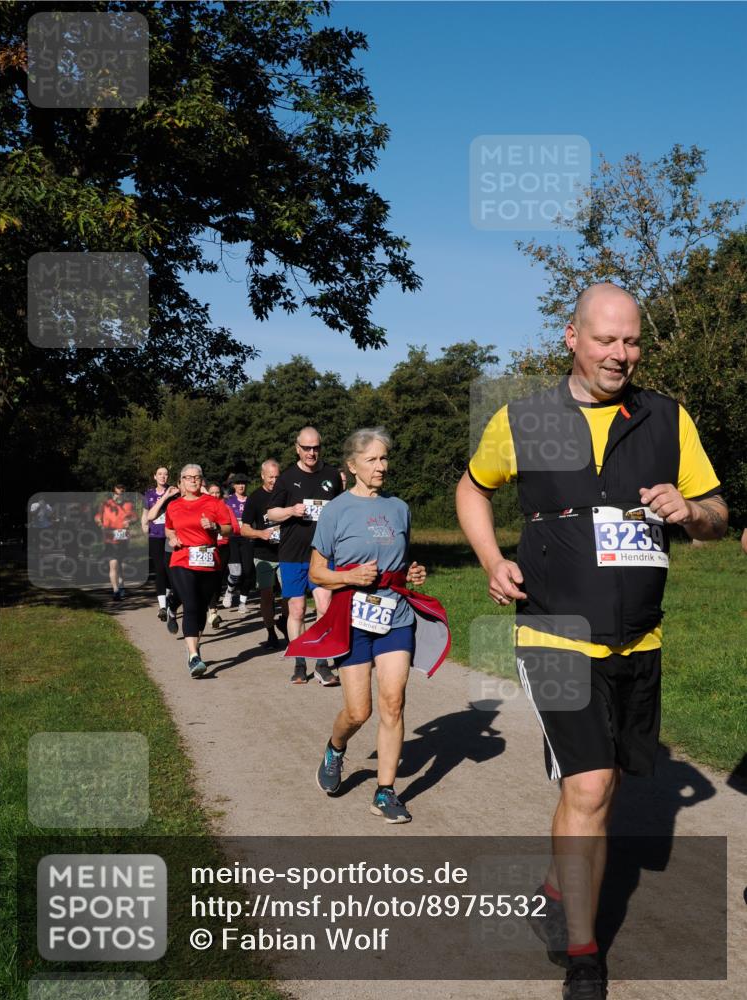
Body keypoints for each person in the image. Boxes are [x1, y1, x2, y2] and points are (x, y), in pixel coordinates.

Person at [456, 283, 728, 999]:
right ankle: (583, 953)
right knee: (590, 783)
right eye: (606, 339)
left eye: (632, 340)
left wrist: (692, 510)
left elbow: (721, 517)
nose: (621, 354)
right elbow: (472, 488)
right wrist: (491, 561)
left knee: (600, 790)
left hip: (639, 641)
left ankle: (554, 886)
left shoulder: (667, 419)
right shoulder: (528, 417)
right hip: (555, 631)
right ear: (571, 336)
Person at [286, 427, 450, 823]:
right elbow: (318, 572)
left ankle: (385, 791)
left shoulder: (399, 507)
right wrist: (349, 578)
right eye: (373, 459)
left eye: (384, 458)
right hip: (353, 617)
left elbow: (400, 559)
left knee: (393, 703)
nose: (382, 466)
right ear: (353, 465)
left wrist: (412, 572)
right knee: (358, 712)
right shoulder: (336, 510)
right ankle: (335, 749)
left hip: (395, 615)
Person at [267, 427, 344, 685]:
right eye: (307, 448)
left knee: (324, 607)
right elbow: (272, 514)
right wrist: (291, 510)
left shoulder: (332, 475)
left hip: (323, 554)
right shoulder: (287, 478)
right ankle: (300, 662)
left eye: (316, 447)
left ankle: (322, 664)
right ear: (297, 448)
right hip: (292, 554)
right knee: (297, 611)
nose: (312, 452)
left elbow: (344, 510)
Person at [165, 464, 233, 677]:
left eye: (197, 477)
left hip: (208, 560)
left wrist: (214, 527)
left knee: (201, 608)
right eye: (188, 477)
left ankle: (194, 647)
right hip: (182, 558)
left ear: (201, 480)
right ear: (182, 481)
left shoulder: (214, 503)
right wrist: (172, 537)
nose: (193, 481)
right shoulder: (174, 506)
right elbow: (168, 527)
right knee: (192, 604)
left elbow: (229, 527)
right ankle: (194, 657)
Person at [241, 459, 288, 649]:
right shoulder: (255, 498)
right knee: (267, 595)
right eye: (270, 477)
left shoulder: (286, 495)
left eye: (277, 477)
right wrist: (260, 533)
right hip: (263, 554)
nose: (274, 481)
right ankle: (270, 633)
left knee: (291, 595)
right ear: (262, 476)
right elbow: (244, 529)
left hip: (285, 553)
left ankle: (284, 621)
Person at [141, 467, 173, 621]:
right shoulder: (149, 494)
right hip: (155, 536)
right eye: (160, 474)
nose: (163, 476)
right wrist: (144, 529)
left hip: (170, 535)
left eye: (165, 474)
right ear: (154, 476)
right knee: (159, 569)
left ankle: (168, 598)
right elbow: (146, 516)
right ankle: (162, 606)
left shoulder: (175, 493)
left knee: (169, 569)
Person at [205, 481, 239, 629]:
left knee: (217, 580)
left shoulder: (226, 508)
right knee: (207, 579)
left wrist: (222, 530)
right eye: (211, 492)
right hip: (207, 548)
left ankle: (213, 611)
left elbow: (235, 528)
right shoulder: (203, 508)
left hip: (223, 547)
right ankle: (208, 608)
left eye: (217, 492)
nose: (214, 495)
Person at [95, 484, 137, 600]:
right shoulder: (106, 504)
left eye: (121, 493)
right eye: (117, 493)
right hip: (110, 538)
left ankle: (122, 585)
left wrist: (130, 521)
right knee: (113, 564)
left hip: (123, 537)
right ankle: (116, 590)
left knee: (121, 565)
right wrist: (100, 524)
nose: (119, 496)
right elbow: (98, 517)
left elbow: (135, 517)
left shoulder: (129, 504)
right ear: (113, 493)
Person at [222, 473, 256, 615]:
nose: (241, 486)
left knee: (248, 572)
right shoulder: (228, 501)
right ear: (234, 486)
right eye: (238, 483)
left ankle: (243, 602)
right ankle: (229, 591)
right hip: (233, 539)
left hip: (248, 538)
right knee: (236, 572)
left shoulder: (251, 500)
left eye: (243, 483)